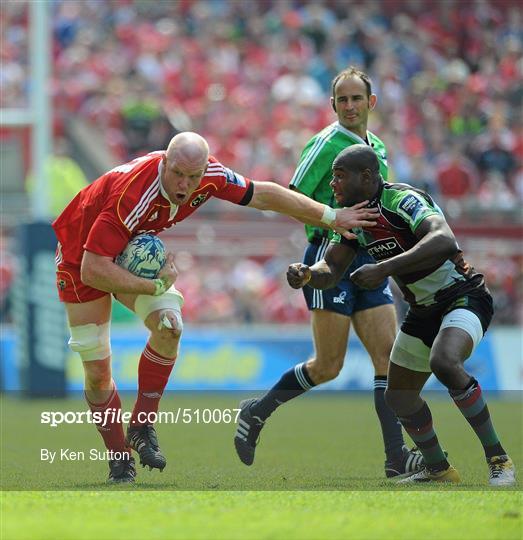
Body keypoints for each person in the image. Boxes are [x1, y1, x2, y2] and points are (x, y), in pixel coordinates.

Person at [52, 131, 377, 484]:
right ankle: (119, 459)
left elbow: (264, 195)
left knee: (170, 327)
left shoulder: (211, 176)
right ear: (164, 162)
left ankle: (142, 426)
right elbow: (93, 268)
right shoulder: (132, 195)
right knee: (98, 372)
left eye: (193, 177)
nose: (185, 184)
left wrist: (332, 216)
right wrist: (154, 284)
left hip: (129, 252)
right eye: (177, 174)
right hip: (80, 259)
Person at [285, 144, 515, 485]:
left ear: (366, 176)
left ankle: (499, 458)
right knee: (398, 397)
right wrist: (307, 274)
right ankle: (438, 468)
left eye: (338, 176)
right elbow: (332, 268)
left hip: (463, 295)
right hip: (423, 310)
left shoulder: (402, 200)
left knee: (445, 362)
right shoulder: (354, 215)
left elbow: (444, 240)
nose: (333, 184)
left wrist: (383, 269)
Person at [234, 67, 422, 478]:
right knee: (327, 367)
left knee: (388, 360)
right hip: (328, 255)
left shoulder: (378, 148)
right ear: (333, 105)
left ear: (371, 103)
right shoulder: (324, 145)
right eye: (343, 100)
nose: (351, 106)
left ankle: (396, 458)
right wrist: (332, 216)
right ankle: (257, 412)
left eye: (358, 98)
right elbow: (290, 195)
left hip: (368, 257)